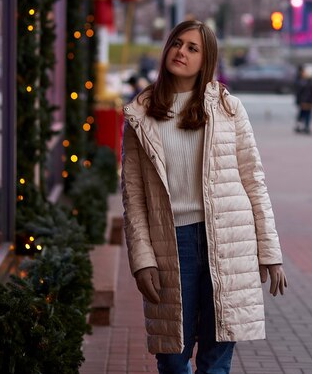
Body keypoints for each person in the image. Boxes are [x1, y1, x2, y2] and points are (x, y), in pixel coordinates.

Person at [121, 20, 287, 374]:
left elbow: (254, 181)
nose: (180, 52)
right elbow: (133, 196)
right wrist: (142, 258)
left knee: (216, 359)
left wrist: (270, 252)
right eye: (177, 43)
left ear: (206, 59)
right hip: (171, 243)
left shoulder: (228, 109)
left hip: (227, 240)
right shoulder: (140, 115)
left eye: (192, 48)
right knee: (171, 357)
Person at [294, 67, 312, 134]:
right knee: (308, 115)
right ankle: (306, 127)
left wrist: (299, 101)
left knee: (301, 114)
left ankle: (299, 126)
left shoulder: (302, 82)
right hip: (310, 102)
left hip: (303, 101)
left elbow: (298, 93)